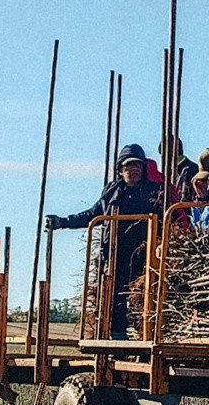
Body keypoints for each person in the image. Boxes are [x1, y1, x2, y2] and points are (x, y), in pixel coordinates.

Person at [48, 144, 164, 338]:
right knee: (113, 298)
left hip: (144, 257)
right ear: (120, 169)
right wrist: (63, 222)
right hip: (114, 254)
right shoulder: (112, 191)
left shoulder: (155, 192)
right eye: (128, 166)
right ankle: (117, 338)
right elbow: (92, 214)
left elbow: (169, 218)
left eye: (137, 165)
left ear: (143, 168)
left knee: (144, 298)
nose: (133, 170)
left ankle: (145, 338)